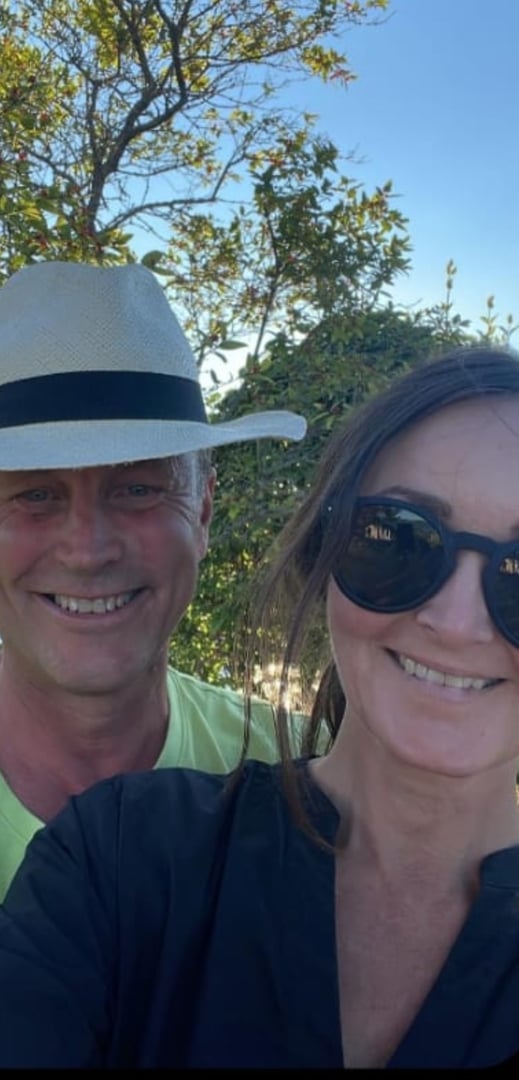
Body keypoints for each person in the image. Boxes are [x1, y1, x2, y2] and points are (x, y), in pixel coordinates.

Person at [2, 342, 519, 1069]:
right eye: (399, 538)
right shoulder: (116, 856)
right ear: (325, 549)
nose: (455, 621)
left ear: (204, 509)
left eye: (139, 489)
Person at [0, 259, 307, 900]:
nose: (87, 551)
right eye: (34, 495)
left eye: (138, 488)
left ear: (202, 511)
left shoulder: (304, 779)